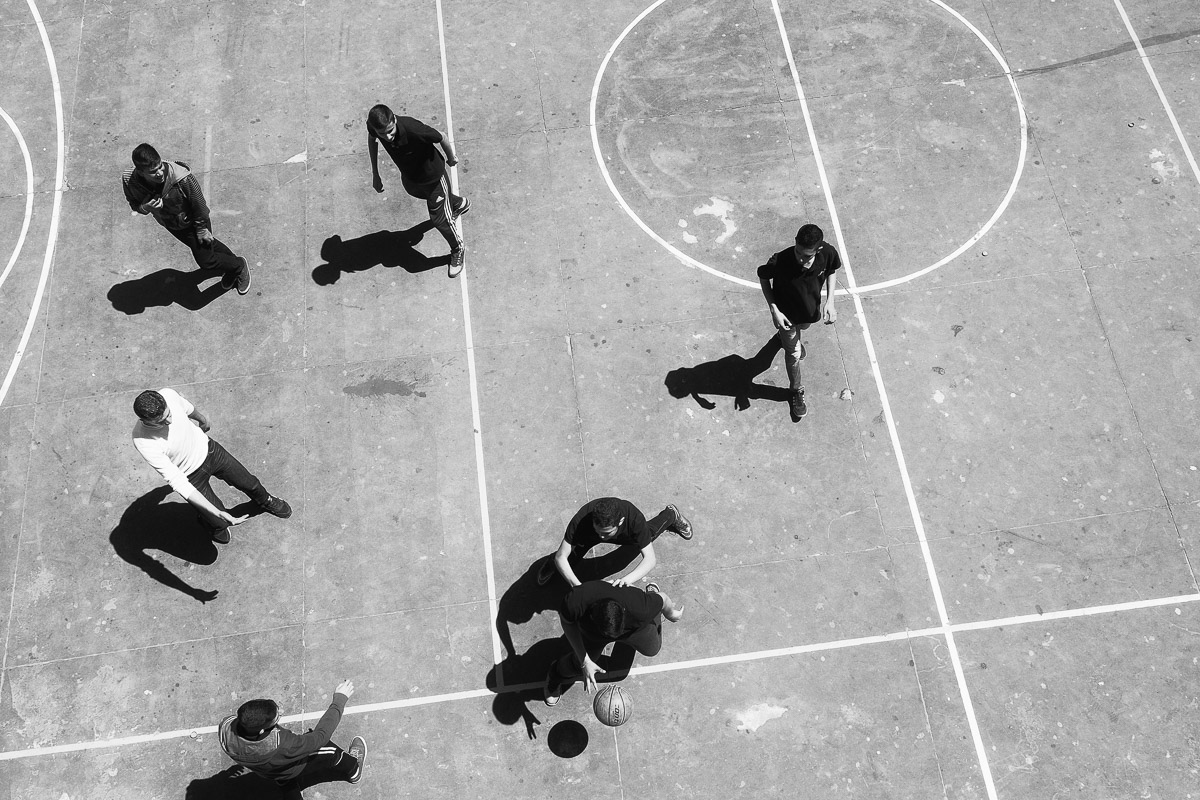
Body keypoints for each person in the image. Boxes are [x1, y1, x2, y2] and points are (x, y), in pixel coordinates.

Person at [131, 388, 291, 544]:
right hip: (190, 476)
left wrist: (202, 419)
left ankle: (266, 500)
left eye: (169, 414)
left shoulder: (168, 395)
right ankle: (212, 523)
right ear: (144, 420)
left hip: (211, 451)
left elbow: (187, 408)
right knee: (219, 521)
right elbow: (178, 482)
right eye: (161, 422)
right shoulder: (143, 441)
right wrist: (217, 513)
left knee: (251, 484)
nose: (169, 421)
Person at [121, 143, 252, 294]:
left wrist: (202, 229)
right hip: (172, 225)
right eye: (153, 172)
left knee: (207, 261)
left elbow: (200, 205)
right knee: (210, 246)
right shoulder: (129, 179)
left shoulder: (182, 178)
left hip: (195, 222)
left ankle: (239, 266)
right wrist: (145, 208)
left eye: (160, 166)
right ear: (140, 171)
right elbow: (133, 203)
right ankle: (232, 268)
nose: (159, 173)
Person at [367, 104, 470, 278]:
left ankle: (457, 248)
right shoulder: (375, 127)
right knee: (413, 191)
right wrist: (375, 174)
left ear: (394, 120)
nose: (388, 137)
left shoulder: (413, 129)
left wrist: (451, 158)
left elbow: (442, 136)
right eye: (382, 133)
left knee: (440, 220)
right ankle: (458, 204)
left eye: (390, 131)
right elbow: (372, 139)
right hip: (411, 178)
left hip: (434, 178)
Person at [544, 581, 683, 706]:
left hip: (632, 628)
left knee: (652, 649)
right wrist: (584, 660)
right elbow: (567, 623)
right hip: (593, 636)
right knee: (576, 664)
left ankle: (651, 595)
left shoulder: (639, 607)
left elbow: (664, 599)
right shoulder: (577, 600)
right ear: (591, 613)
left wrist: (671, 614)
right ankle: (555, 674)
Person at [218, 680, 366, 797]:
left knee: (283, 779)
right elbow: (320, 737)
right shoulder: (284, 745)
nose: (281, 712)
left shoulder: (225, 728)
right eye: (277, 717)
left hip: (269, 771)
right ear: (262, 730)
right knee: (330, 751)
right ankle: (354, 770)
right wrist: (339, 699)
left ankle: (289, 789)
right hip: (293, 767)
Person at [757, 223, 840, 421]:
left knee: (803, 329)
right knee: (793, 354)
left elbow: (832, 270)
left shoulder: (827, 253)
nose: (801, 259)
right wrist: (774, 309)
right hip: (786, 317)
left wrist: (830, 301)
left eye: (807, 256)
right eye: (798, 252)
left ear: (818, 250)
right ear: (795, 242)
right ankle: (796, 390)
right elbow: (763, 278)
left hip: (808, 313)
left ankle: (786, 339)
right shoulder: (780, 260)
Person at [536, 497, 693, 587]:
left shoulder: (634, 519)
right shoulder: (581, 519)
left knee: (648, 534)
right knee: (568, 558)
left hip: (625, 534)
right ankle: (550, 564)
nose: (601, 537)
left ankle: (670, 515)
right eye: (598, 530)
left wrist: (625, 581)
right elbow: (561, 556)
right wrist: (577, 586)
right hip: (587, 536)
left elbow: (650, 560)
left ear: (621, 521)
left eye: (606, 533)